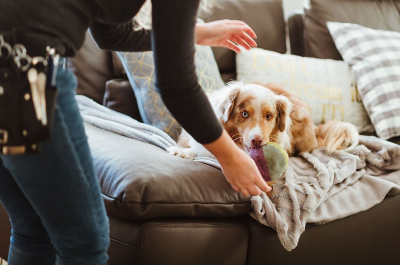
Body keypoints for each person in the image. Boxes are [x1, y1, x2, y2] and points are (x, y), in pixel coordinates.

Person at [0, 0, 272, 264]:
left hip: (13, 67)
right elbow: (177, 87)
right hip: (24, 75)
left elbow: (111, 34)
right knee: (83, 244)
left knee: (33, 228)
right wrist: (230, 157)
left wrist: (196, 33)